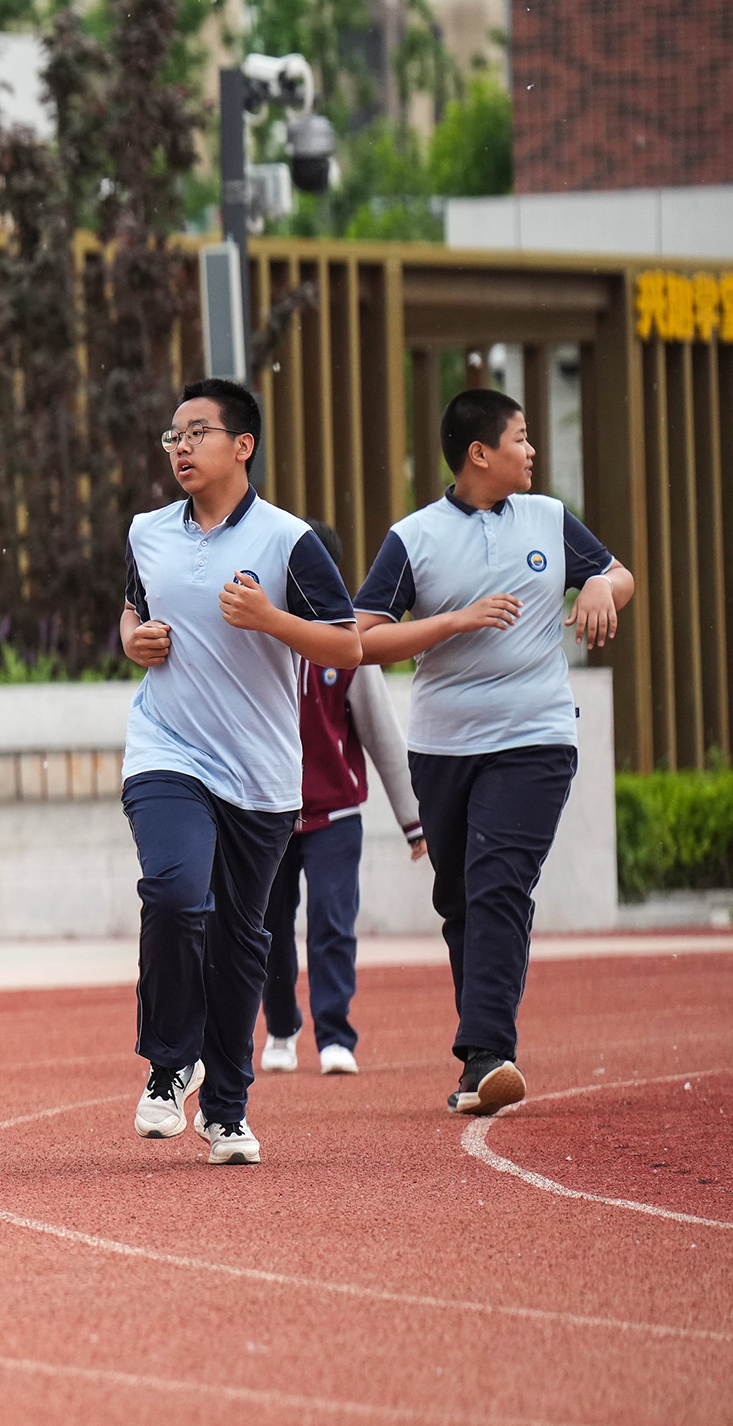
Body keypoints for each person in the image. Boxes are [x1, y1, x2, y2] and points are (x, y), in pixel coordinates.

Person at [353, 387, 635, 1116]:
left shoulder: (547, 518)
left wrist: (603, 587)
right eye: (519, 437)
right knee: (459, 900)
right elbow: (363, 637)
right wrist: (451, 622)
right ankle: (483, 1056)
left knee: (498, 882)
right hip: (441, 746)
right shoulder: (411, 537)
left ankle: (487, 1054)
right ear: (479, 453)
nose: (531, 449)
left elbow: (617, 573)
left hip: (534, 735)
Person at [119, 378, 361, 1167]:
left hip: (259, 773)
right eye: (172, 437)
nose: (180, 447)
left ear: (242, 445)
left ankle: (225, 1108)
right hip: (167, 749)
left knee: (238, 943)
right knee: (174, 890)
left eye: (197, 433)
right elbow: (132, 607)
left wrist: (270, 620)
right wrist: (132, 639)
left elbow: (345, 646)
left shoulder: (289, 541)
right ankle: (166, 1065)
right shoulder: (146, 532)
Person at [258, 523, 426, 1079]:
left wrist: (414, 821)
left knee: (333, 922)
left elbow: (382, 735)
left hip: (336, 814)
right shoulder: (262, 641)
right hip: (269, 812)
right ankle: (281, 1028)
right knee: (268, 928)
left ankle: (335, 1034)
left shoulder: (349, 650)